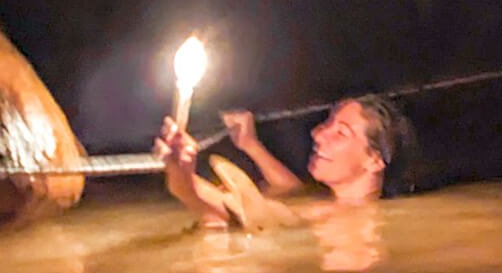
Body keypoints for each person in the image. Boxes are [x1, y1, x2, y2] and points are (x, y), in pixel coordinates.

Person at [156, 95, 414, 229]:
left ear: (374, 160)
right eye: (327, 123)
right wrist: (250, 145)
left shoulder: (329, 218)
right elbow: (293, 190)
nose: (318, 133)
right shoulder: (342, 206)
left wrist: (182, 173)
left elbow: (229, 209)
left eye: (341, 132)